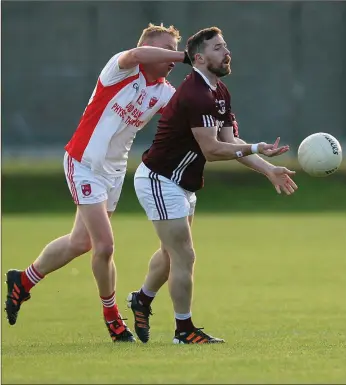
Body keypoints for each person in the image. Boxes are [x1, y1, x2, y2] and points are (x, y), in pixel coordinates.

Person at [5, 23, 193, 343]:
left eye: (174, 51)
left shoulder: (164, 91)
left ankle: (23, 280)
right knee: (104, 245)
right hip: (84, 163)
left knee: (82, 243)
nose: (171, 58)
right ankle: (113, 319)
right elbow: (135, 53)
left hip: (113, 173)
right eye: (165, 50)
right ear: (149, 49)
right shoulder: (121, 69)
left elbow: (189, 116)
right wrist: (186, 55)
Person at [127, 26, 298, 344]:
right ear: (200, 58)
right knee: (185, 255)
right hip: (160, 180)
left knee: (170, 253)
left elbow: (231, 142)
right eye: (219, 48)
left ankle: (142, 299)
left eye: (226, 46)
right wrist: (256, 149)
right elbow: (213, 150)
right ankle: (184, 331)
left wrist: (268, 169)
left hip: (182, 183)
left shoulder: (219, 91)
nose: (227, 52)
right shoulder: (196, 94)